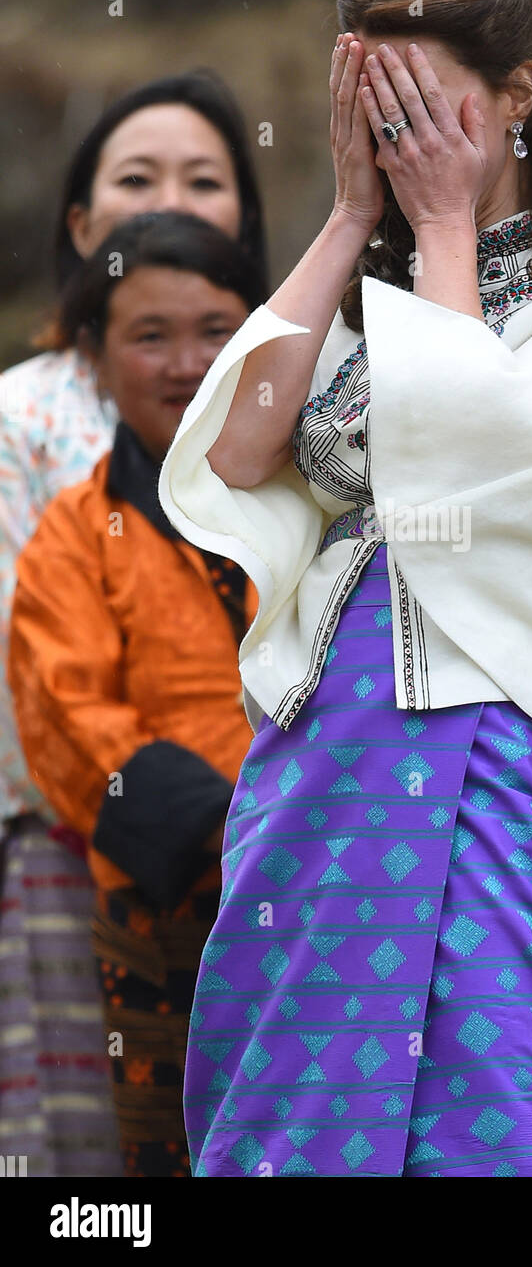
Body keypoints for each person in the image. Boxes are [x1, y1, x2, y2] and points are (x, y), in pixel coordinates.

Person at [159, 0, 532, 1178]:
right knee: (288, 1087)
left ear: (517, 97)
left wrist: (446, 224)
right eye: (375, 107)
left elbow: (472, 469)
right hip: (318, 736)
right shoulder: (381, 294)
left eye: (427, 101)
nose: (405, 135)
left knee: (485, 1085)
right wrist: (358, 214)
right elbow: (243, 449)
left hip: (482, 719)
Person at [0, 70, 267, 1176]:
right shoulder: (30, 428)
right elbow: (48, 684)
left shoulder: (301, 437)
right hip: (90, 847)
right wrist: (188, 810)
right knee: (104, 1159)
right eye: (139, 176)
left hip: (287, 864)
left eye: (207, 179)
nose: (184, 358)